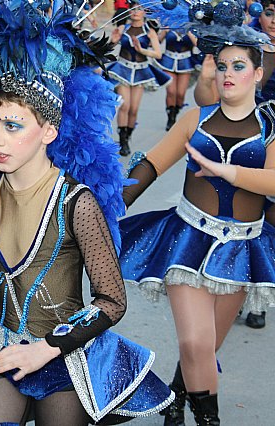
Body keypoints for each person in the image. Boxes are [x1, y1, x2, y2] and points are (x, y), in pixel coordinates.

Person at [0, 1, 175, 424]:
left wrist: (47, 348)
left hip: (64, 352)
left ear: (49, 131)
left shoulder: (77, 203)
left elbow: (112, 301)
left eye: (12, 125)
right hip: (1, 344)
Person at [119, 1, 275, 424]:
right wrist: (105, 207)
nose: (228, 74)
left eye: (239, 66)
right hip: (186, 240)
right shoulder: (195, 119)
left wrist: (227, 171)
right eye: (222, 65)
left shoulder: (271, 127)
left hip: (241, 249)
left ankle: (176, 393)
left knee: (206, 347)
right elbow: (149, 167)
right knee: (194, 342)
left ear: (259, 73)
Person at [193, 0, 275, 330]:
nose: (274, 21)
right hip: (252, 142)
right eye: (270, 12)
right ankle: (249, 296)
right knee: (252, 220)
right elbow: (207, 101)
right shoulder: (246, 48)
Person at [107, 1, 170, 156]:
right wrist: (112, 41)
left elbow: (158, 53)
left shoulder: (150, 31)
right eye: (133, 8)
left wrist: (142, 50)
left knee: (134, 109)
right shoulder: (123, 28)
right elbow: (108, 48)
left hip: (141, 72)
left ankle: (128, 134)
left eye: (139, 9)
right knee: (124, 106)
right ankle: (122, 141)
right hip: (122, 69)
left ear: (145, 12)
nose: (135, 11)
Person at [156, 28, 197, 130]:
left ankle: (176, 110)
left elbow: (198, 44)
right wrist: (164, 32)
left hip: (185, 62)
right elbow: (155, 43)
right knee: (171, 91)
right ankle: (171, 117)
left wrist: (189, 31)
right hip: (168, 61)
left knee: (180, 93)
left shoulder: (193, 26)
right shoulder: (168, 24)